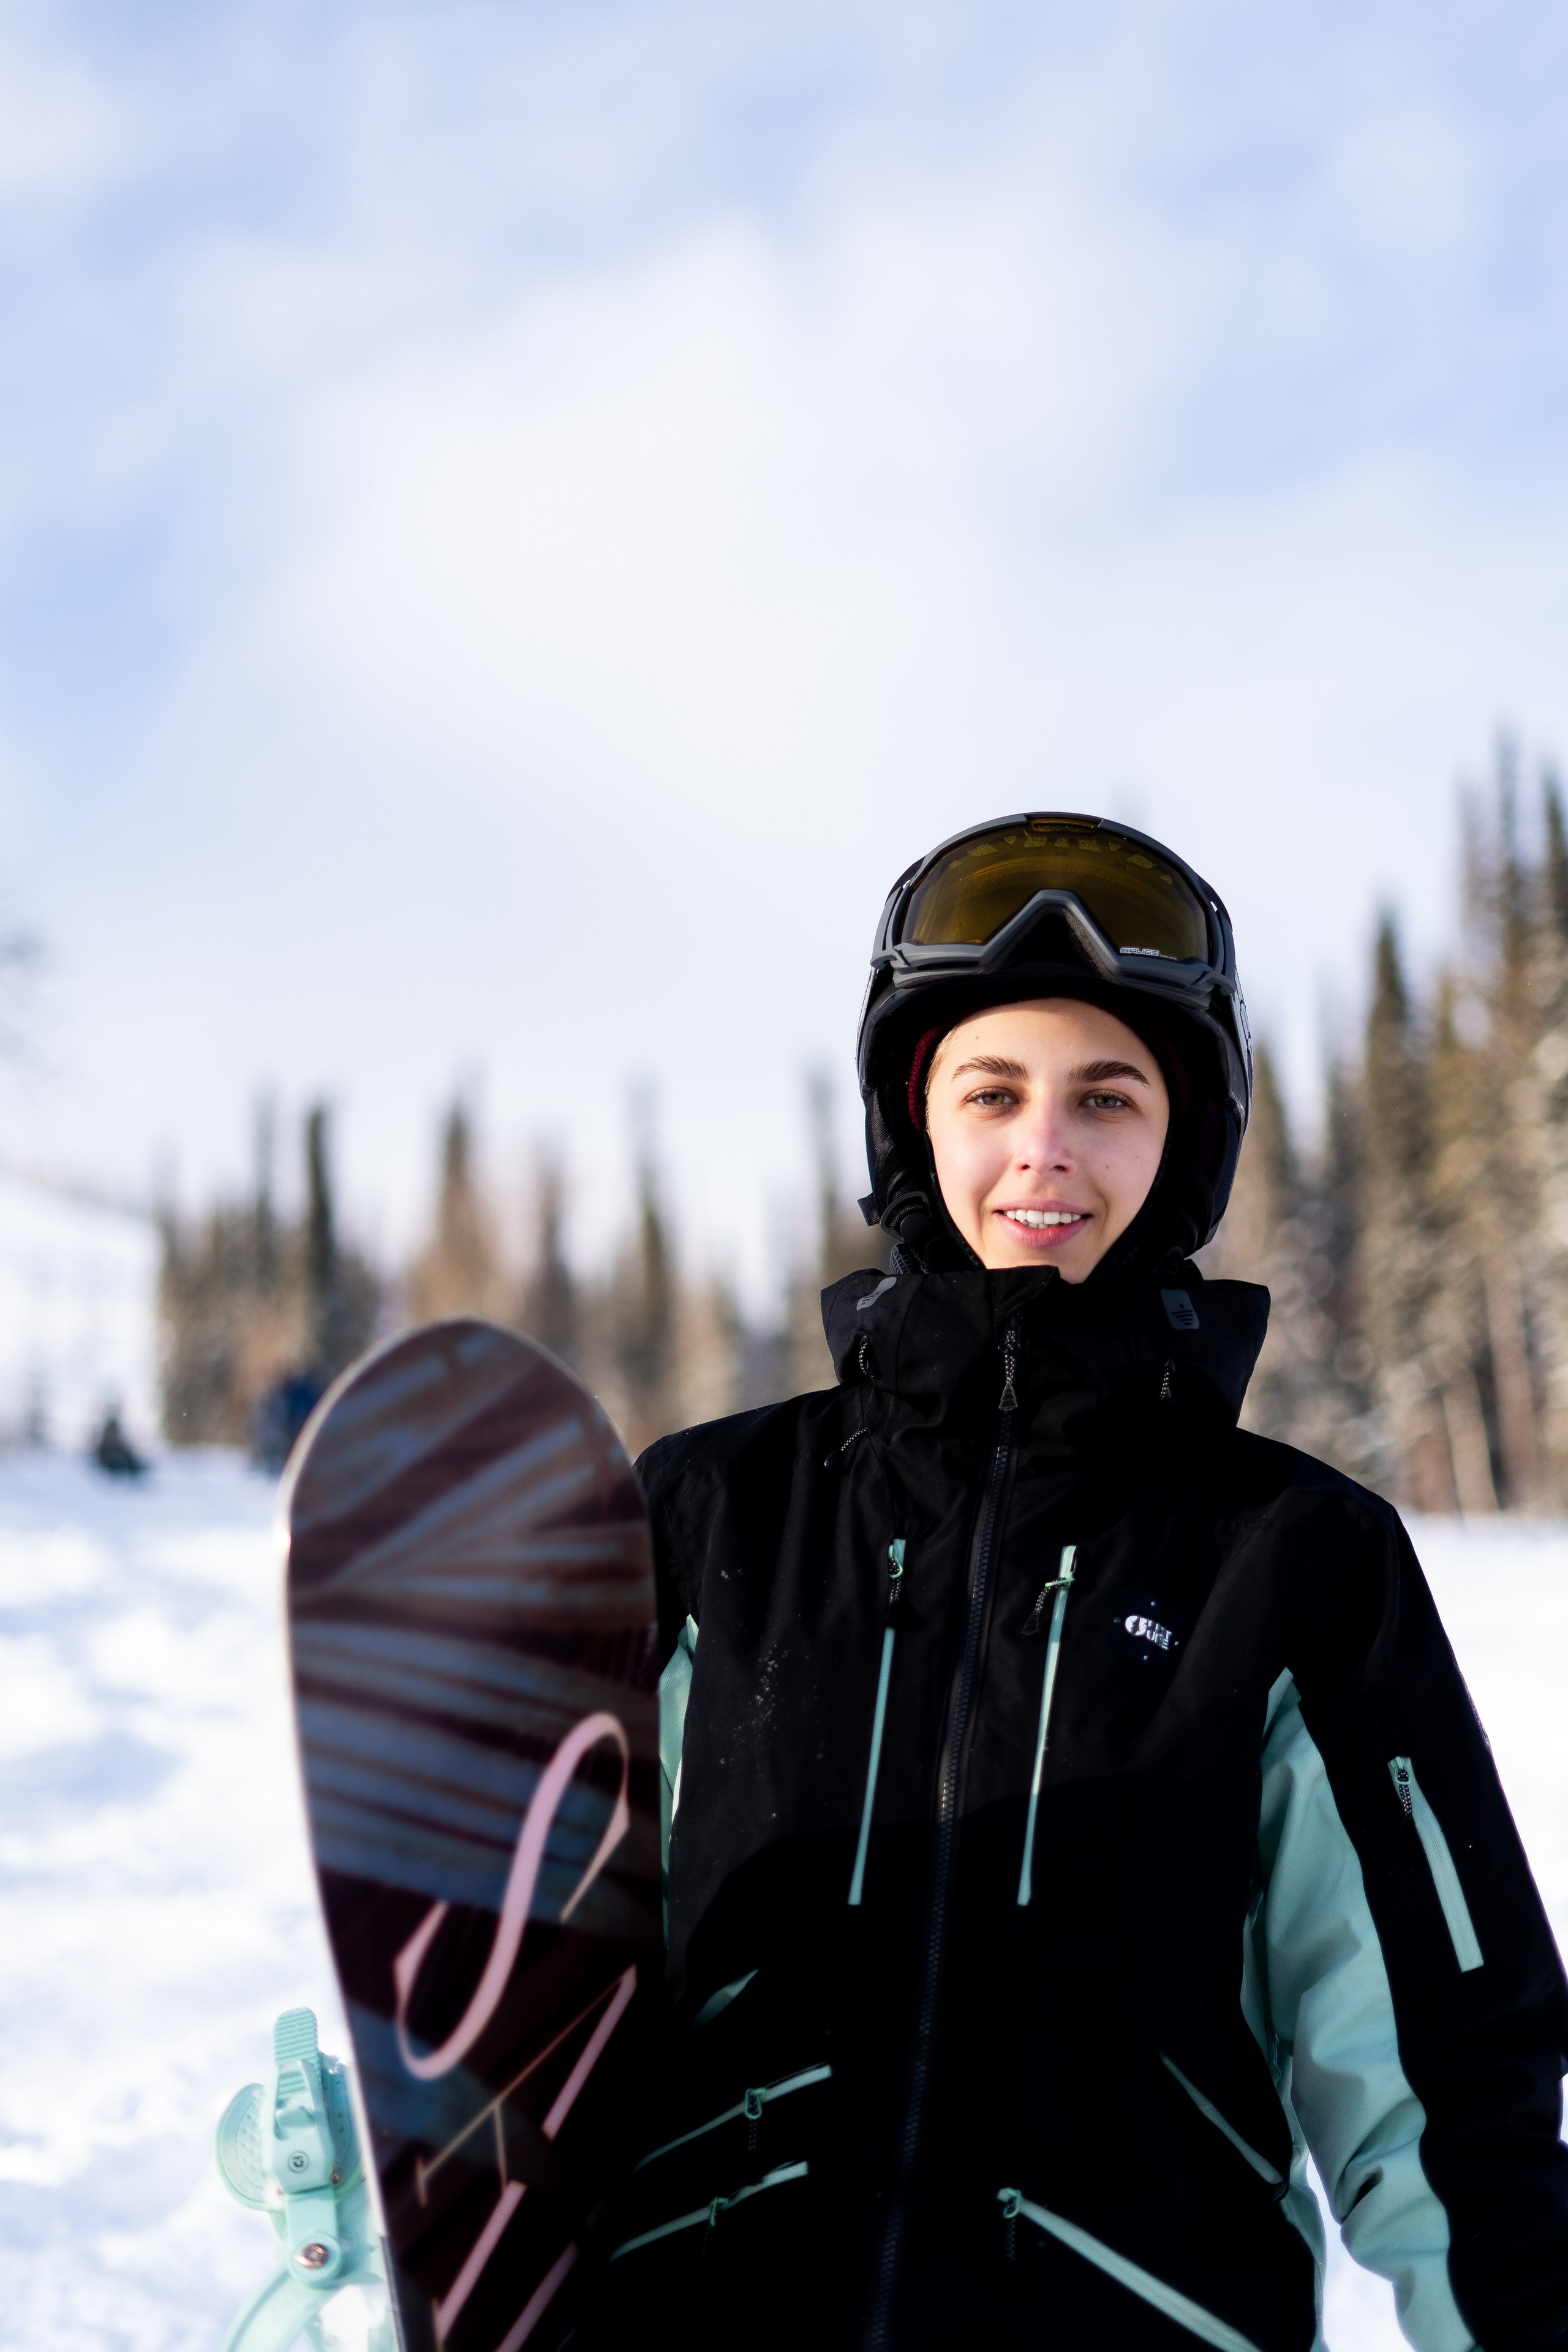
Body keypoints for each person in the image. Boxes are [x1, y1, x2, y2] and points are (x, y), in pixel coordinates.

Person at [586, 815, 1568, 2352]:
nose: (1043, 1147)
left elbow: (1444, 2092)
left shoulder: (1293, 1561)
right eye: (992, 1092)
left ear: (1182, 1141)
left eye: (1106, 1097)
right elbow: (530, 2007)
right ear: (915, 1125)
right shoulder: (717, 1517)